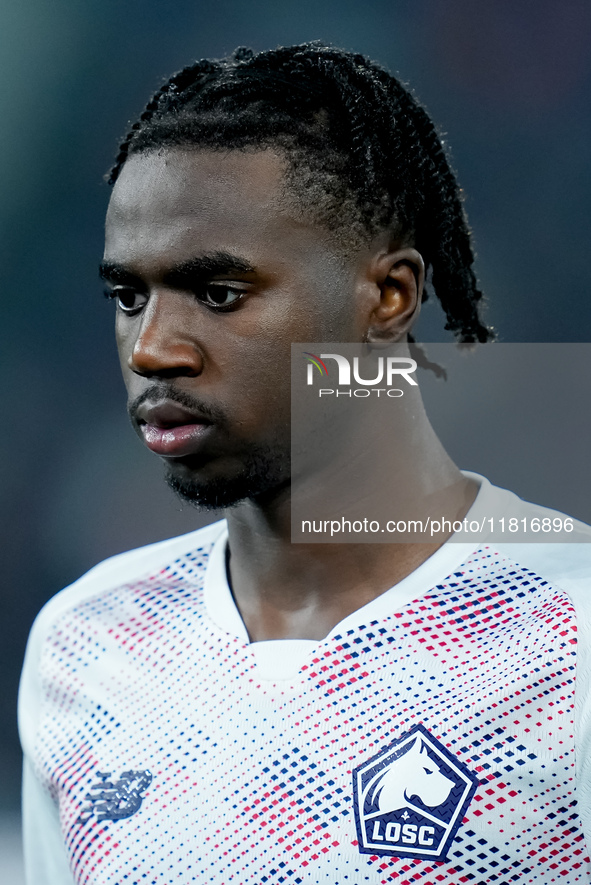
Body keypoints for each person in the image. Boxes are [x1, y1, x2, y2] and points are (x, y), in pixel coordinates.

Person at [18, 43, 591, 885]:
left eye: (218, 293)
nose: (151, 349)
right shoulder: (89, 642)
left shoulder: (566, 637)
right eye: (128, 296)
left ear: (388, 296)